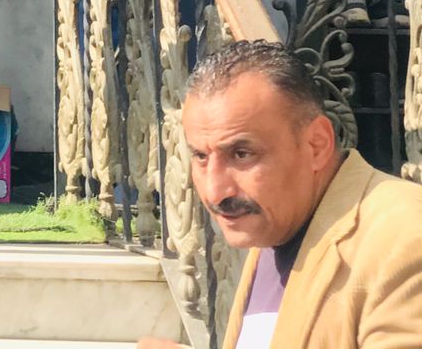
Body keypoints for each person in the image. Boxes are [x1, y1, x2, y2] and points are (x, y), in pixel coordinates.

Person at [138, 39, 422, 349]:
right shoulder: (276, 225)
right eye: (201, 157)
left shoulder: (405, 236)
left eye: (242, 154)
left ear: (317, 145)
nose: (215, 191)